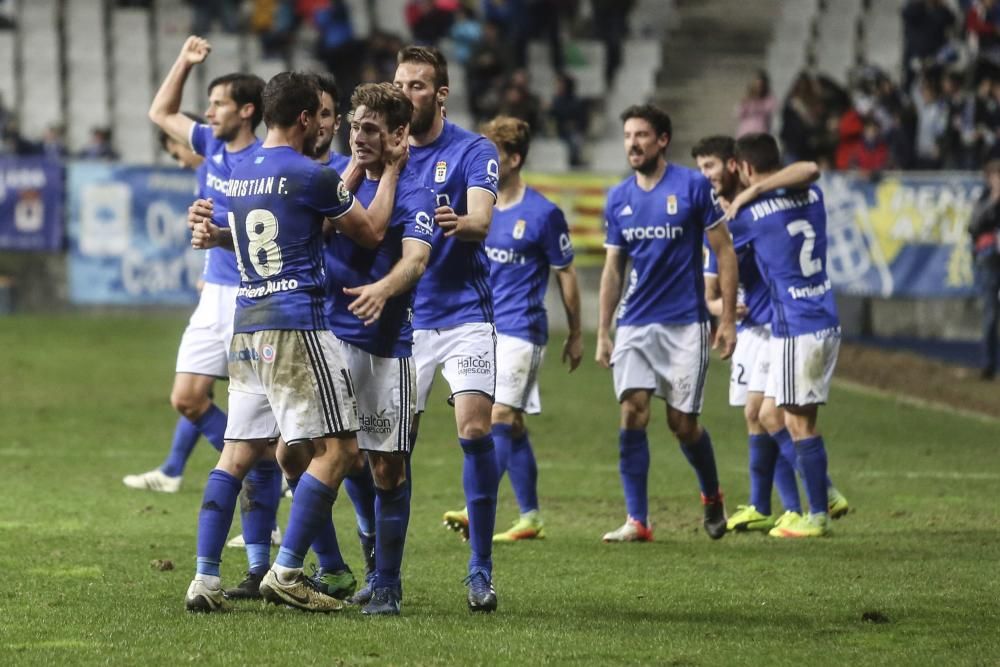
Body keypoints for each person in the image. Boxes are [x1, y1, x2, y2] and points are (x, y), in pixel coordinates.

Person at [183, 70, 398, 612]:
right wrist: (391, 171)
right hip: (297, 325)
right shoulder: (309, 174)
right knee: (341, 451)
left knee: (235, 455)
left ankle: (204, 579)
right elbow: (370, 231)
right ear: (304, 118)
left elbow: (255, 235)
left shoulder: (238, 170)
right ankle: (286, 572)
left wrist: (213, 234)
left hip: (247, 327)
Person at [345, 45, 502, 612]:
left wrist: (463, 223)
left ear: (440, 94)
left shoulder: (471, 150)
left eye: (418, 86)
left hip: (462, 314)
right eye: (400, 83)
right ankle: (377, 568)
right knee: (377, 456)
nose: (407, 93)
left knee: (475, 430)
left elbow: (483, 218)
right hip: (400, 324)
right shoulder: (383, 154)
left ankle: (480, 568)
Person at [133, 37, 285, 591]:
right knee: (187, 398)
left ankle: (261, 514)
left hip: (253, 296)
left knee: (257, 422)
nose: (209, 112)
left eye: (218, 103)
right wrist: (185, 61)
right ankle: (261, 470)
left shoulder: (263, 160)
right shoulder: (209, 146)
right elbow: (159, 113)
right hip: (212, 294)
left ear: (247, 110)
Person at [595, 104, 738, 543]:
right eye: (627, 136)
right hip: (635, 323)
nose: (632, 143)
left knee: (682, 424)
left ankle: (712, 495)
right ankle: (637, 520)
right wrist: (603, 330)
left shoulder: (692, 186)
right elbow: (613, 268)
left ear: (662, 140)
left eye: (641, 135)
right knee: (632, 410)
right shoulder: (619, 198)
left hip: (684, 325)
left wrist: (727, 318)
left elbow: (725, 251)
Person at [694, 135, 849, 533]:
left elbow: (723, 252)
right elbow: (810, 168)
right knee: (770, 414)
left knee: (796, 422)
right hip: (821, 315)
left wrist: (743, 202)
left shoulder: (748, 216)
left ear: (741, 167)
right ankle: (808, 503)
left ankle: (816, 513)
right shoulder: (810, 197)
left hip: (797, 324)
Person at [440, 116, 582, 544]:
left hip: (522, 328)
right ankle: (532, 516)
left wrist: (576, 333)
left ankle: (475, 506)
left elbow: (567, 274)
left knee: (500, 416)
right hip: (480, 328)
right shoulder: (472, 207)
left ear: (514, 158)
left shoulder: (543, 214)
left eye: (493, 153)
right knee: (510, 425)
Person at [325, 82, 434, 615]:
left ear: (399, 134)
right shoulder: (340, 179)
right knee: (333, 459)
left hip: (388, 346)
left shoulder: (416, 192)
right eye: (354, 126)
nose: (359, 136)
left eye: (371, 129)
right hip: (329, 337)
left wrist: (382, 290)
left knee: (388, 467)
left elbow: (415, 260)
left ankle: (387, 583)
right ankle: (352, 567)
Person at [968, 159, 1000, 380]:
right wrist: (993, 201)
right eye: (995, 176)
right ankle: (988, 364)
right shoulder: (982, 199)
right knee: (990, 312)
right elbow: (973, 225)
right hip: (989, 258)